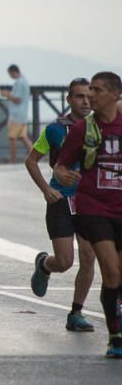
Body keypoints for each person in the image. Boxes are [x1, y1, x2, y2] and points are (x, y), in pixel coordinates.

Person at [53, 71, 122, 357]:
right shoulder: (83, 129)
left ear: (115, 95)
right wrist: (63, 175)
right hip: (93, 207)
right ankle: (115, 336)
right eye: (89, 89)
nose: (91, 95)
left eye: (97, 90)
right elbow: (60, 165)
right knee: (110, 270)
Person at [25, 78, 96, 331]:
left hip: (89, 202)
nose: (85, 102)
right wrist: (46, 189)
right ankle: (44, 264)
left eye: (89, 96)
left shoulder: (101, 127)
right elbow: (31, 160)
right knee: (65, 262)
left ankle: (76, 313)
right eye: (79, 97)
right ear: (69, 100)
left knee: (88, 257)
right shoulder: (56, 129)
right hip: (61, 200)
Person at [2, 64, 32, 164]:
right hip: (23, 114)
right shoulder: (25, 81)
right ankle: (35, 155)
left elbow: (17, 99)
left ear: (13, 72)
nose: (10, 76)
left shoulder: (19, 83)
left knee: (12, 137)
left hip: (16, 115)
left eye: (10, 74)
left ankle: (12, 160)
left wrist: (7, 94)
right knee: (23, 137)